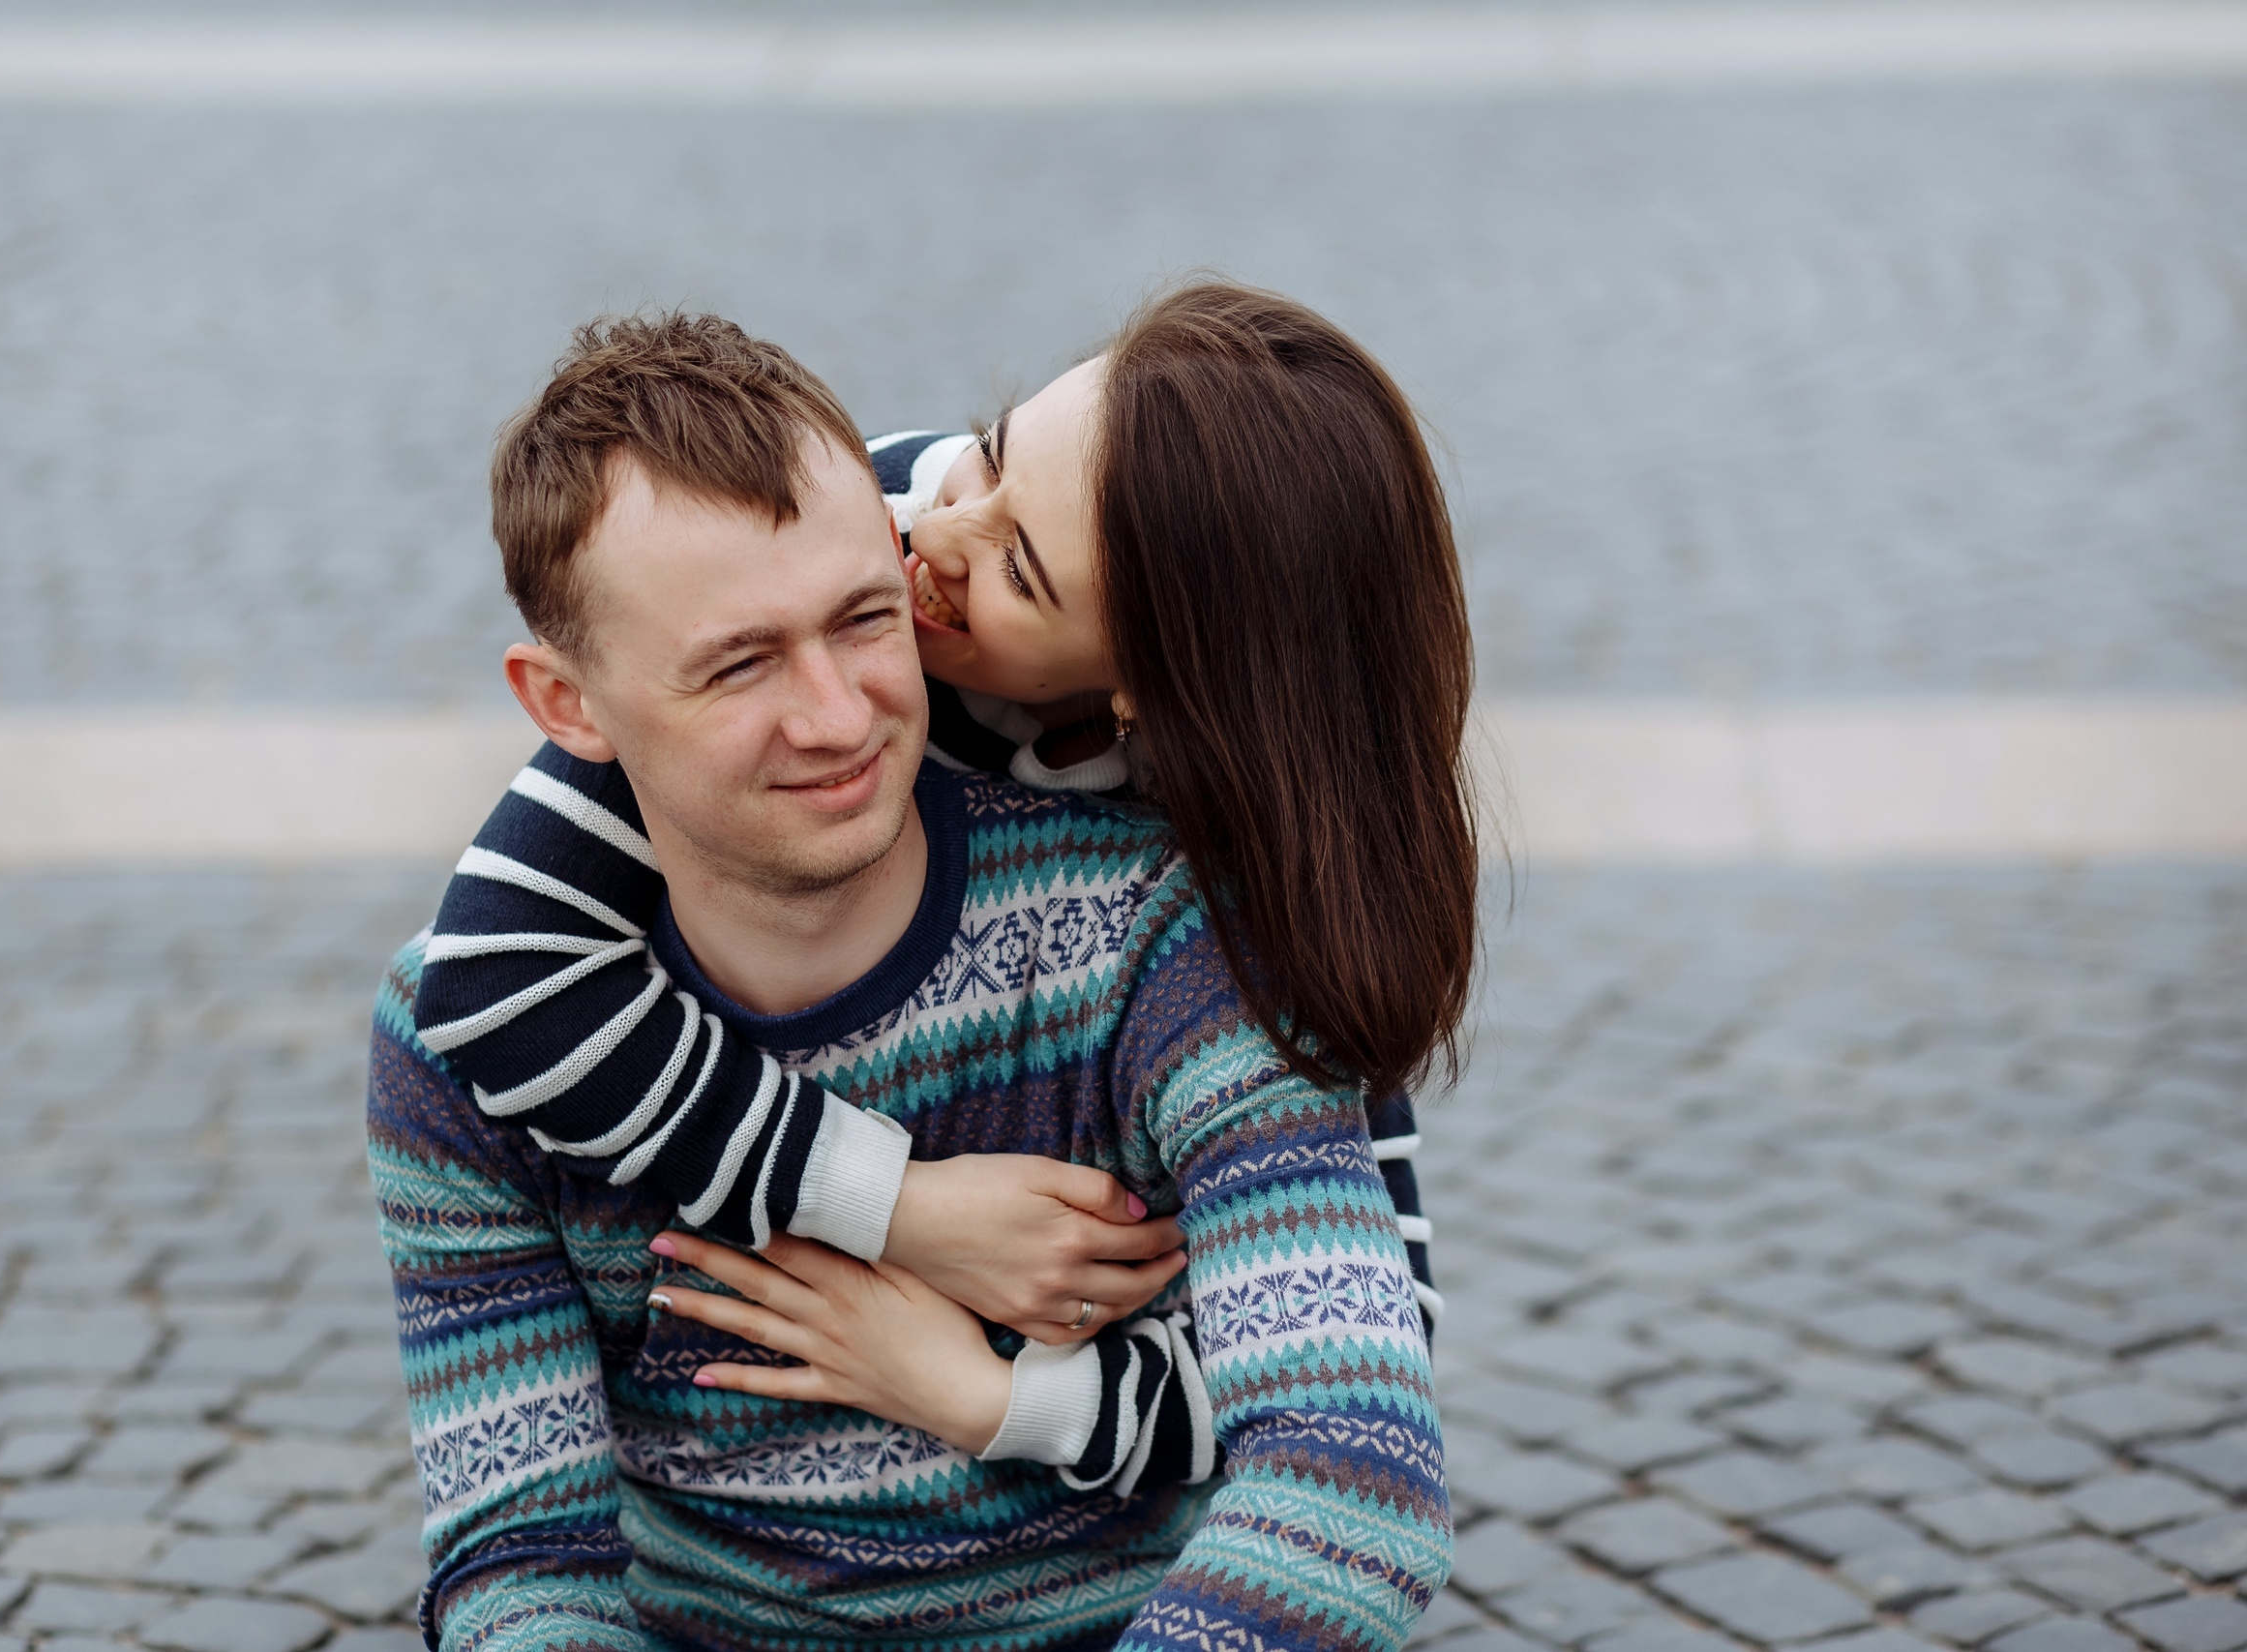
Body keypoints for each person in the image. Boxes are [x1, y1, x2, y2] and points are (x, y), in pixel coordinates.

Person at [369, 296, 1461, 1650]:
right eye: (740, 665)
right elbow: (523, 1564)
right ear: (569, 707)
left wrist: (1013, 1398)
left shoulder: (1188, 927)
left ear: (1139, 690)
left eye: (863, 620)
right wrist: (893, 1206)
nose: (835, 715)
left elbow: (1360, 1447)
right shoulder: (467, 1028)